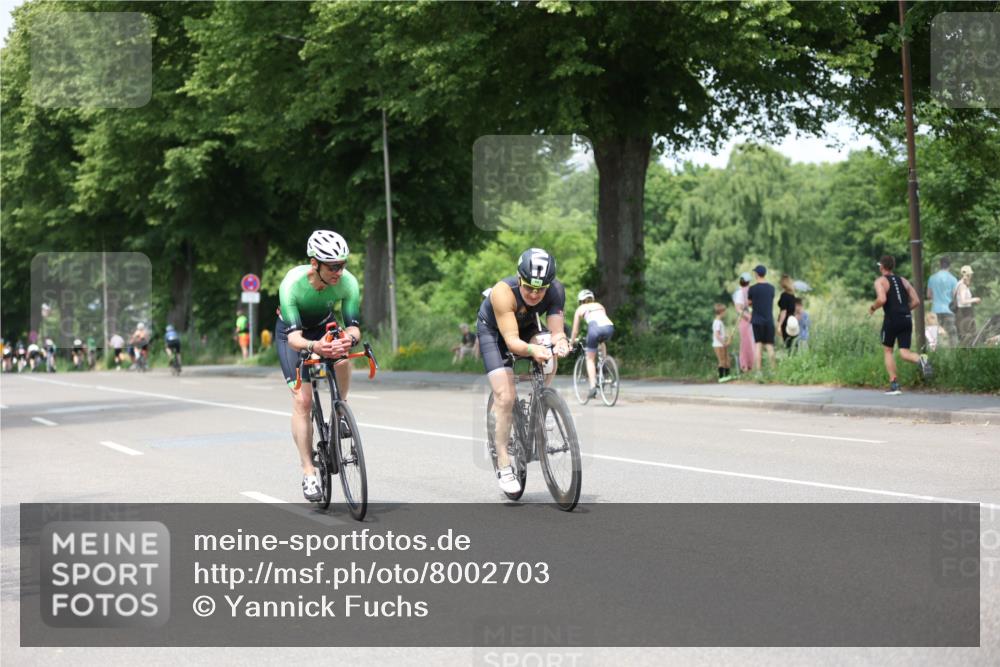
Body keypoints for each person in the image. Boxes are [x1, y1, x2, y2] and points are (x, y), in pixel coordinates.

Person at [277, 230, 361, 502]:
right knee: (303, 401)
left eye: (343, 264)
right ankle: (309, 472)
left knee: (344, 358)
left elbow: (354, 328)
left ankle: (340, 410)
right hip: (295, 335)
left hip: (324, 328)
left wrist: (347, 339)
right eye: (333, 266)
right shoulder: (292, 284)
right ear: (315, 264)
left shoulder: (348, 283)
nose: (340, 271)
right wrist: (315, 347)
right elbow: (293, 338)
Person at [478, 248, 570, 494]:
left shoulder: (556, 291)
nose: (534, 294)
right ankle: (504, 462)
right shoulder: (502, 293)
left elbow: (557, 331)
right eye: (528, 287)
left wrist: (560, 342)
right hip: (496, 335)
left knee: (549, 352)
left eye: (541, 289)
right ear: (519, 279)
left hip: (527, 327)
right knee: (505, 397)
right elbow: (511, 342)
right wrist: (532, 350)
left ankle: (543, 402)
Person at [868, 255, 932, 395]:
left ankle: (894, 385)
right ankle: (922, 359)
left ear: (882, 267)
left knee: (888, 350)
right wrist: (903, 310)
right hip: (906, 318)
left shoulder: (880, 281)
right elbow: (916, 301)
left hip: (892, 319)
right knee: (905, 353)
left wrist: (873, 308)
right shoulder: (903, 280)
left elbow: (882, 299)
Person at [569, 289, 615, 398]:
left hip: (595, 329)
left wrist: (571, 342)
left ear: (580, 301)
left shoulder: (580, 308)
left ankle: (593, 387)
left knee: (589, 359)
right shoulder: (599, 305)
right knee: (601, 342)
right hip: (609, 328)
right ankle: (604, 364)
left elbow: (575, 330)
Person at [747, 265, 776, 371]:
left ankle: (759, 372)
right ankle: (774, 371)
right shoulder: (771, 288)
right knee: (770, 346)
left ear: (757, 274)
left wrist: (753, 304)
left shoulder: (752, 289)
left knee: (758, 346)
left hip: (757, 321)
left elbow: (749, 303)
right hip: (768, 320)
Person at [926, 256, 959, 346]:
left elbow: (928, 295)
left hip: (935, 310)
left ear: (940, 265)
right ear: (950, 265)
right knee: (952, 334)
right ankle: (955, 355)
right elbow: (955, 296)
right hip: (948, 310)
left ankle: (934, 354)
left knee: (933, 335)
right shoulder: (953, 279)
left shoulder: (932, 278)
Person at [731, 273, 755, 372]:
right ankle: (744, 365)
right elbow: (738, 308)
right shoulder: (740, 293)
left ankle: (751, 365)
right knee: (745, 342)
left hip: (751, 320)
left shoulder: (748, 291)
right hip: (744, 320)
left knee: (751, 342)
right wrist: (747, 315)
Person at [954, 265, 981, 346]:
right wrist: (975, 299)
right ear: (968, 275)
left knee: (964, 336)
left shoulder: (959, 284)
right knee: (969, 336)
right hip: (965, 312)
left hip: (961, 312)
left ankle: (965, 354)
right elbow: (963, 301)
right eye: (970, 275)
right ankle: (969, 355)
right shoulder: (962, 286)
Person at [711, 303, 732, 382]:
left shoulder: (720, 322)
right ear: (721, 312)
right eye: (725, 311)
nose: (725, 313)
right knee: (722, 361)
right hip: (719, 345)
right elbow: (717, 335)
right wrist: (724, 343)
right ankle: (721, 377)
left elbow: (722, 334)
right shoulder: (717, 322)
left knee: (727, 360)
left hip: (722, 344)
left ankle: (727, 375)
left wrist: (727, 336)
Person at [776, 274, 797, 351]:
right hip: (793, 321)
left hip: (786, 322)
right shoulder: (792, 296)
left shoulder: (784, 295)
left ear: (783, 283)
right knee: (793, 343)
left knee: (788, 344)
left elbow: (783, 312)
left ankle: (790, 360)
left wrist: (779, 325)